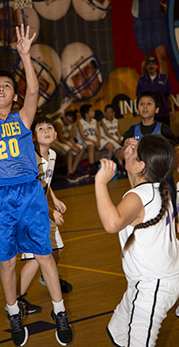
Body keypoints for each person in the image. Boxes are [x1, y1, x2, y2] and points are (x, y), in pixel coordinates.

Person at [0, 25, 73, 347]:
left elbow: (33, 93)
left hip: (29, 191)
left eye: (7, 86)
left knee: (44, 255)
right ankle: (14, 313)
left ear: (13, 96)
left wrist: (25, 55)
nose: (0, 88)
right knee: (7, 261)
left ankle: (60, 312)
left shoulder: (23, 118)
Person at [95, 134, 179, 346]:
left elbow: (112, 224)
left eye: (134, 150)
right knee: (118, 333)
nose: (129, 148)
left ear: (141, 164)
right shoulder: (159, 188)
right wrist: (132, 149)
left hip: (153, 285)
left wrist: (100, 182)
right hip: (146, 281)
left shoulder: (139, 196)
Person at [15, 116, 73, 315]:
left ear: (56, 134)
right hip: (30, 212)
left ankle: (45, 276)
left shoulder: (53, 155)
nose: (47, 130)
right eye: (41, 128)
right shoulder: (32, 159)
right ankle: (15, 300)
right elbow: (33, 191)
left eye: (50, 127)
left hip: (42, 209)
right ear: (33, 136)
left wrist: (54, 199)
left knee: (57, 248)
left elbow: (45, 183)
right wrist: (51, 211)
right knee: (34, 258)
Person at [129, 0, 169, 75]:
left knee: (162, 56)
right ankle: (146, 87)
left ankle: (165, 89)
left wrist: (159, 5)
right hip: (142, 19)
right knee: (149, 59)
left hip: (156, 18)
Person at [136, 56, 175, 126]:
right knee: (151, 136)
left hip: (163, 113)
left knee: (164, 135)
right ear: (146, 67)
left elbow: (169, 96)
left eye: (153, 64)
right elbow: (138, 97)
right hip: (148, 115)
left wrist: (173, 110)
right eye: (148, 64)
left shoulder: (164, 79)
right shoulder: (142, 80)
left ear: (157, 66)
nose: (151, 66)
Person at [76, 104, 114, 175]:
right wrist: (94, 142)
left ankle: (105, 166)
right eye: (92, 111)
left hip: (95, 139)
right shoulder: (80, 122)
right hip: (85, 140)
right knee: (91, 147)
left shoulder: (94, 121)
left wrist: (98, 141)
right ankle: (92, 169)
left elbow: (98, 133)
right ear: (86, 114)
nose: (94, 112)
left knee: (110, 146)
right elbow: (83, 136)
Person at [51, 110, 88, 183]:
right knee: (69, 150)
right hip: (55, 141)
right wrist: (72, 147)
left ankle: (73, 171)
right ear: (64, 116)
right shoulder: (58, 122)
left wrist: (74, 145)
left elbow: (70, 137)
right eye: (67, 120)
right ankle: (69, 173)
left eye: (70, 121)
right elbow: (61, 139)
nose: (67, 122)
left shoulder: (70, 125)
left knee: (81, 148)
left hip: (65, 141)